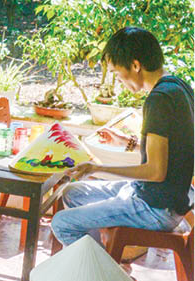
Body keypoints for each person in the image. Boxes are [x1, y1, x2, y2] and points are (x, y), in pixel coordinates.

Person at [51, 27, 194, 248]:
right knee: (73, 192)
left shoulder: (159, 99)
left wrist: (96, 168)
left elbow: (156, 171)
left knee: (62, 223)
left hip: (156, 208)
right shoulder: (178, 86)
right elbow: (172, 150)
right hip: (156, 195)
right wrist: (126, 142)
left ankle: (101, 269)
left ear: (135, 65)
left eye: (117, 73)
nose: (118, 80)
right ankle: (100, 256)